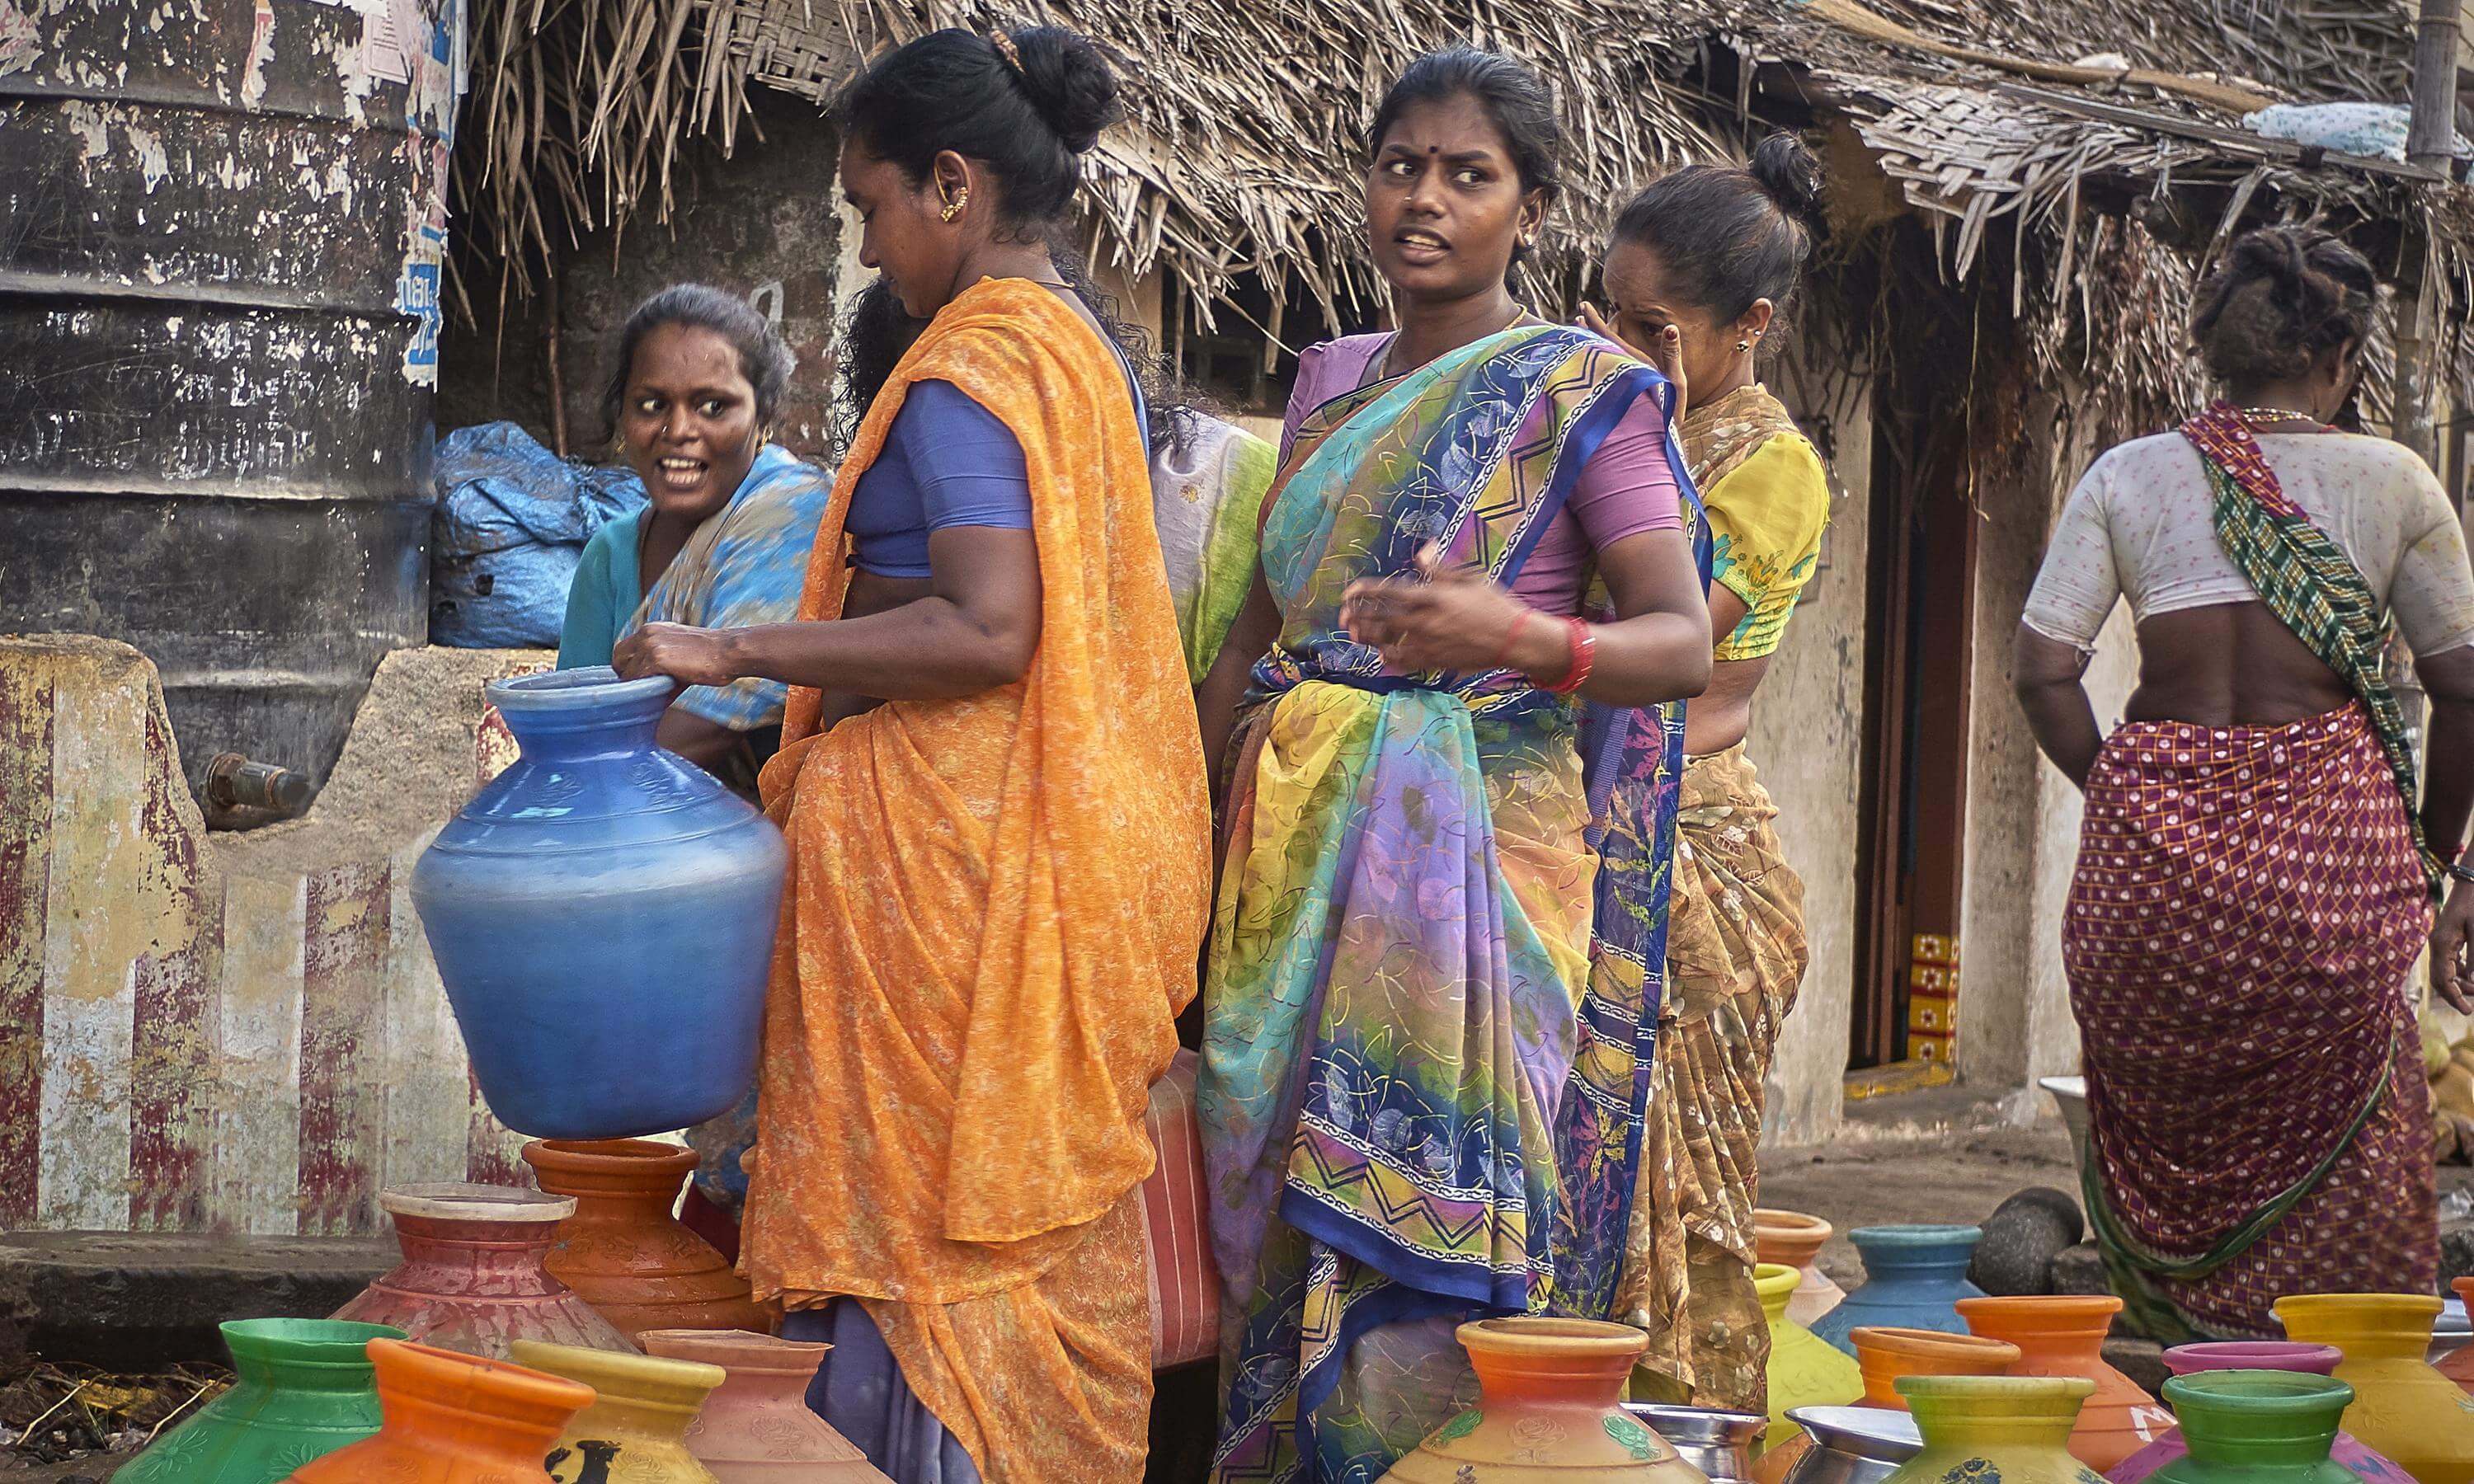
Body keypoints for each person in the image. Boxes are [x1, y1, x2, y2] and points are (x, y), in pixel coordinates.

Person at [612, 26, 1211, 1484]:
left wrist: (741, 648)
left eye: (871, 206)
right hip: (1036, 857)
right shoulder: (1083, 354)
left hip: (952, 884)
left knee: (927, 1255)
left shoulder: (974, 370)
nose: (871, 247)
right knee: (989, 1247)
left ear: (951, 185)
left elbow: (992, 627)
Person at [1193, 47, 1714, 1482]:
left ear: (1528, 208)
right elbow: (1256, 630)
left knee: (1437, 1237)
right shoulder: (1326, 384)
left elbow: (1678, 640)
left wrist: (1521, 632)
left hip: (1477, 857)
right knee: (1279, 1214)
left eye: (1467, 175)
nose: (1425, 199)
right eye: (1401, 165)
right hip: (1290, 846)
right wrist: (1185, 825)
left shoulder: (1585, 394)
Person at [2014, 225, 2474, 1341]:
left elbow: (2043, 672)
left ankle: (2177, 1383)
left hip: (2149, 888)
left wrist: (2124, 797)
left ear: (2215, 352)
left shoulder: (2129, 476)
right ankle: (2325, 1393)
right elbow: (2462, 689)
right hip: (2333, 886)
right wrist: (2438, 868)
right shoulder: (2393, 482)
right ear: (2343, 360)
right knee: (2349, 1155)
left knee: (2169, 1142)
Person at [1575, 136, 1833, 1409]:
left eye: (1651, 327)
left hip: (1702, 859)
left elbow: (1666, 639)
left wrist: (1640, 433)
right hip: (1573, 831)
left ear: (1750, 327)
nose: (1623, 349)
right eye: (1607, 316)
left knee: (1682, 1208)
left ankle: (1686, 1435)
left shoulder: (1773, 469)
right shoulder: (1605, 423)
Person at [557, 284, 832, 797]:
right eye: (652, 404)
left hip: (766, 845)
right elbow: (573, 715)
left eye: (713, 406)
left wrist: (562, 795)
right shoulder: (610, 553)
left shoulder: (791, 514)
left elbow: (717, 723)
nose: (679, 430)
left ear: (763, 419)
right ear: (622, 417)